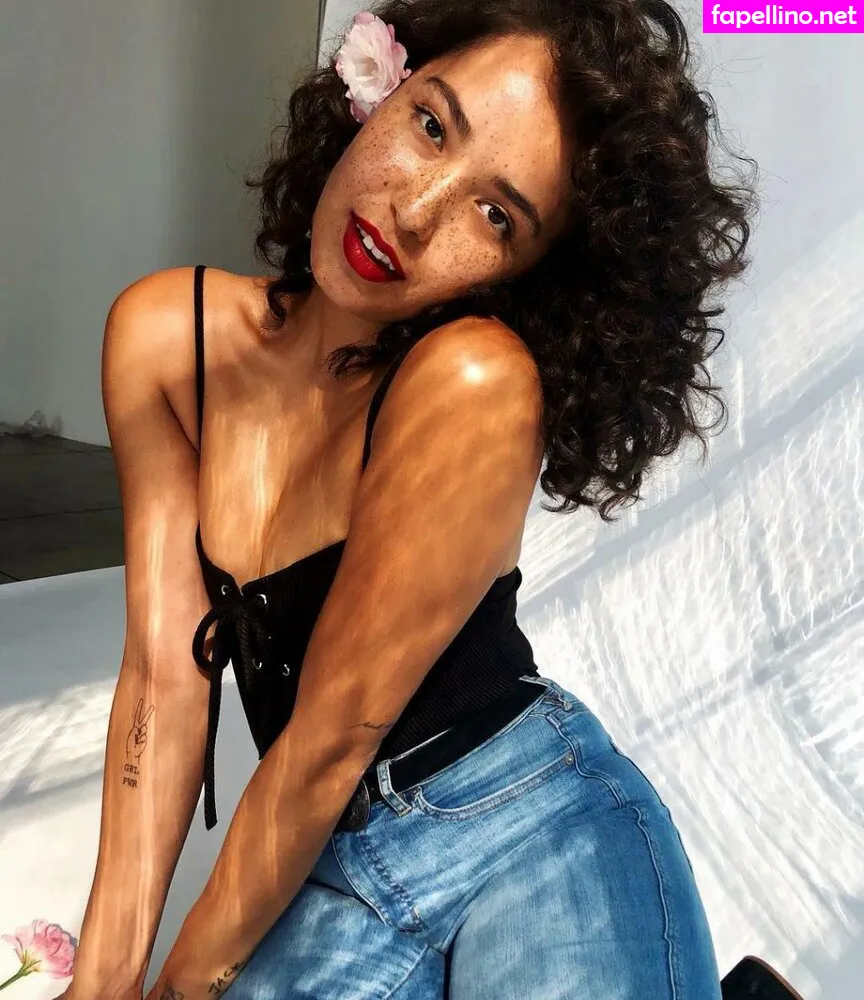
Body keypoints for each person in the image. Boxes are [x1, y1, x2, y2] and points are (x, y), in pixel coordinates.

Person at [62, 0, 762, 997]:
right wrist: (101, 981)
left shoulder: (474, 380)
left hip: (529, 820)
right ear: (378, 89)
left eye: (496, 215)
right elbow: (165, 682)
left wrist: (178, 990)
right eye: (433, 123)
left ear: (529, 277)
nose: (416, 210)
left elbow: (327, 742)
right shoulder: (166, 340)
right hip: (322, 862)